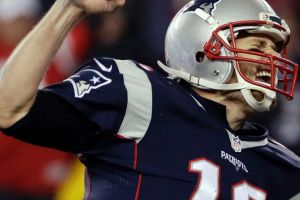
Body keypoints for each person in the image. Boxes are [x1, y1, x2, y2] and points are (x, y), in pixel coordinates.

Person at [0, 0, 299, 199]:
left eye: (276, 51)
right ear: (203, 49)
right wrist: (68, 9)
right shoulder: (140, 93)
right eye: (258, 45)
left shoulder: (286, 170)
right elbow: (10, 109)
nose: (271, 61)